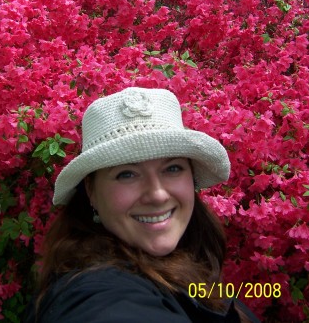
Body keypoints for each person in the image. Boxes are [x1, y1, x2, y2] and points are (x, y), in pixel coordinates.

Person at [26, 87, 261, 322]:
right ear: (91, 191)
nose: (157, 195)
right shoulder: (98, 294)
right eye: (127, 174)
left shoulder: (187, 262)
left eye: (172, 168)